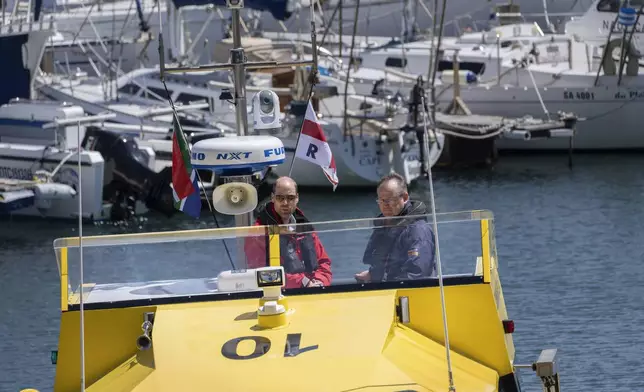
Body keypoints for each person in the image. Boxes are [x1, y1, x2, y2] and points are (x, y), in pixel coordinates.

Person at [244, 176, 332, 289]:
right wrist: (303, 282)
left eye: (290, 198)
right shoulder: (258, 232)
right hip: (278, 296)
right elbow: (261, 273)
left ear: (297, 198)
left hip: (314, 289)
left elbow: (324, 262)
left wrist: (320, 282)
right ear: (272, 198)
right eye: (280, 198)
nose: (285, 203)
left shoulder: (305, 226)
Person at [355, 173, 436, 283]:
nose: (385, 205)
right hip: (386, 289)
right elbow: (385, 261)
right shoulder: (384, 225)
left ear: (405, 197)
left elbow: (417, 274)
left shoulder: (417, 230)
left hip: (407, 294)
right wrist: (372, 274)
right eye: (381, 200)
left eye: (390, 200)